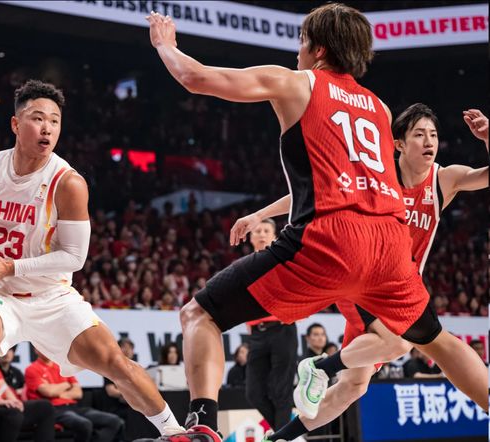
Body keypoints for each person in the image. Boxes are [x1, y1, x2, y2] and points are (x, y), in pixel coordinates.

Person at [146, 5, 487, 441]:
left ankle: (202, 427)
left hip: (330, 240)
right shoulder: (380, 109)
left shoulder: (296, 82)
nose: (297, 51)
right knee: (436, 339)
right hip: (391, 246)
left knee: (200, 314)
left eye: (302, 41)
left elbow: (195, 77)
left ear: (318, 48)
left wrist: (166, 45)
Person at [0, 80, 179, 442]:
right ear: (15, 124)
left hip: (52, 297)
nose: (47, 128)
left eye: (55, 121)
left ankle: (175, 431)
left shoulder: (68, 182)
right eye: (38, 118)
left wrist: (10, 266)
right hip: (0, 295)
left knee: (114, 362)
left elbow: (75, 257)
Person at [245, 105, 489, 441]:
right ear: (399, 144)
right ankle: (319, 367)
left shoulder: (444, 179)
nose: (429, 141)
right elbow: (316, 190)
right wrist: (260, 214)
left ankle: (279, 438)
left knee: (353, 385)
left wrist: (488, 137)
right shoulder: (377, 176)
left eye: (433, 135)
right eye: (419, 134)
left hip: (399, 290)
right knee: (401, 342)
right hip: (361, 278)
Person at [239, 219, 297, 430]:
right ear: (250, 237)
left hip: (282, 328)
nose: (262, 234)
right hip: (256, 333)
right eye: (257, 231)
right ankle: (287, 434)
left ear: (274, 235)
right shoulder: (244, 265)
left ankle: (281, 437)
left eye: (266, 230)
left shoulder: (285, 259)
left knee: (281, 390)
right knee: (253, 393)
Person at [25, 348, 123, 442]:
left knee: (114, 421)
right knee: (84, 424)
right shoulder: (32, 369)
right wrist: (66, 384)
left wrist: (57, 391)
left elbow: (78, 393)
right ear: (36, 350)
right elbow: (49, 392)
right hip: (55, 410)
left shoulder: (62, 367)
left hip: (75, 407)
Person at [0, 355, 56, 442]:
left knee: (45, 407)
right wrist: (2, 401)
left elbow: (3, 384)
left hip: (3, 402)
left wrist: (15, 401)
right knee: (13, 414)